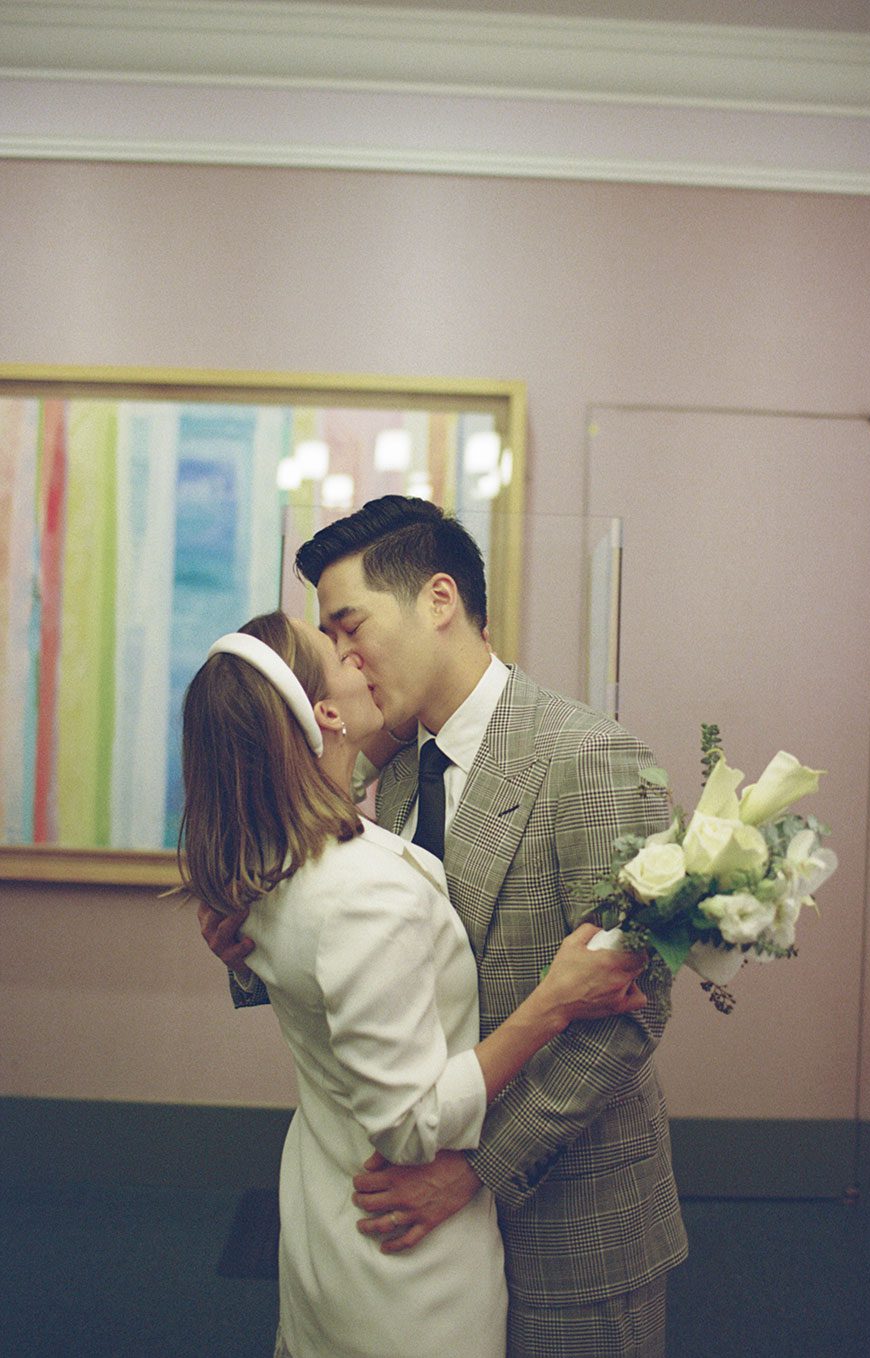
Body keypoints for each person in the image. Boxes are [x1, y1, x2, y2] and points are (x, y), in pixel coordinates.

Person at [201, 496, 688, 1358]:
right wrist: (245, 945)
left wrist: (471, 1170)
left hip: (568, 1220)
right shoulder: (386, 770)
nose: (343, 661)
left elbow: (630, 1015)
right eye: (331, 642)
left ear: (438, 600)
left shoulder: (590, 758)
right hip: (417, 1242)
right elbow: (359, 945)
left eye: (351, 629)